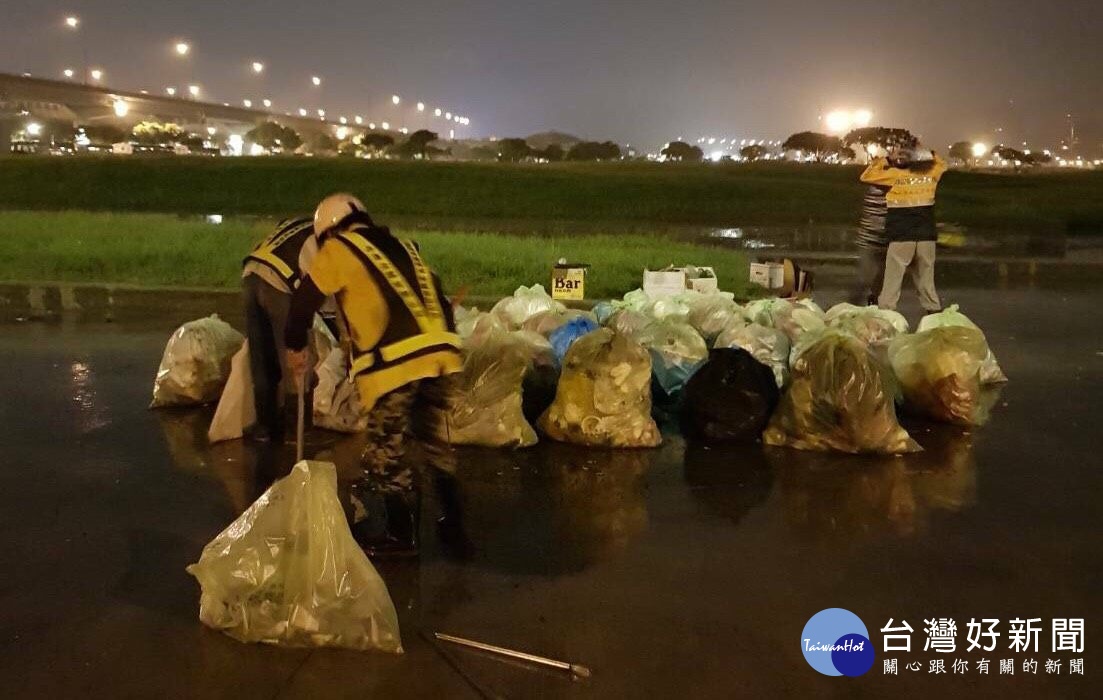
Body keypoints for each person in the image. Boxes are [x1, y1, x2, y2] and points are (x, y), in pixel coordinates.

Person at [283, 194, 464, 557]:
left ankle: (400, 537)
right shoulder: (403, 247)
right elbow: (440, 297)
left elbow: (304, 302)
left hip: (395, 363)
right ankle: (453, 526)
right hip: (440, 355)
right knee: (432, 444)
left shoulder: (339, 248)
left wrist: (294, 347)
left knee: (385, 454)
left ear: (326, 232)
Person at [241, 216, 320, 441]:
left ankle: (265, 425)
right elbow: (329, 305)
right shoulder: (337, 241)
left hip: (251, 274)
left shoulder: (300, 223)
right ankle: (297, 431)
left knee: (262, 357)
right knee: (295, 358)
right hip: (279, 285)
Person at [860, 145, 948, 313]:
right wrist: (931, 152)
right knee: (926, 278)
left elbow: (866, 176)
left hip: (902, 236)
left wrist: (887, 159)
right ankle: (933, 311)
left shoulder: (895, 175)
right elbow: (942, 164)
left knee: (893, 278)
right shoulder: (931, 175)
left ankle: (886, 313)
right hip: (926, 237)